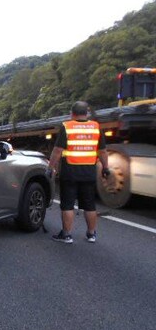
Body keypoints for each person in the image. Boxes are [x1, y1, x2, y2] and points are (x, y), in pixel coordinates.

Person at [47, 101, 110, 244]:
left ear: (72, 113)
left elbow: (57, 150)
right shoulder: (95, 127)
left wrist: (50, 168)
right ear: (87, 113)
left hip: (70, 171)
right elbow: (103, 151)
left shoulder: (67, 127)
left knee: (67, 204)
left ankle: (67, 235)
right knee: (89, 205)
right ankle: (91, 234)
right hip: (88, 172)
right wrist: (105, 167)